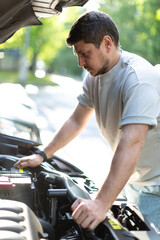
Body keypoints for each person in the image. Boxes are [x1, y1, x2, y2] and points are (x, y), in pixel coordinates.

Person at [14, 11, 160, 231]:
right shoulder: (94, 77)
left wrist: (101, 203)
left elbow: (132, 142)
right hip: (133, 180)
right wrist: (43, 154)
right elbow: (76, 120)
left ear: (107, 43)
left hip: (155, 187)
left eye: (85, 53)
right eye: (77, 55)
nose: (81, 62)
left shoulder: (138, 79)